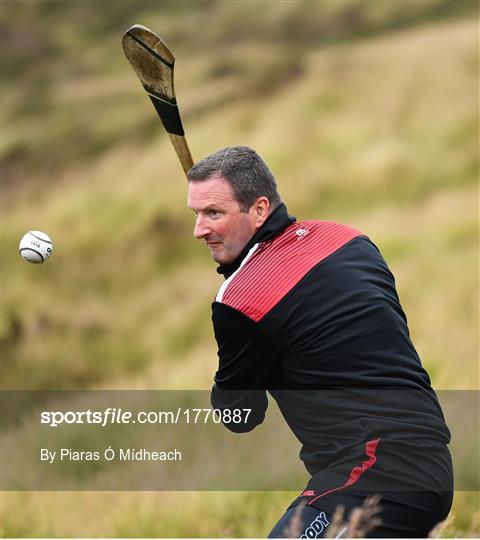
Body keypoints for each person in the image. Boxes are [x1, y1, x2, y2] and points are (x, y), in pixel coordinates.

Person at [187, 146, 453, 538]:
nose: (199, 230)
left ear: (260, 209)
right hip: (430, 460)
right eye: (196, 214)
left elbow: (239, 417)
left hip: (375, 473)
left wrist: (238, 309)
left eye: (214, 213)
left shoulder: (241, 300)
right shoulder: (348, 239)